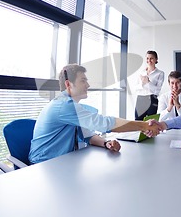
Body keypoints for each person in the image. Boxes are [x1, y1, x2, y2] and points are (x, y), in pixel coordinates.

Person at [29, 64, 161, 164]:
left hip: (61, 162)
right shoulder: (64, 106)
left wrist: (106, 143)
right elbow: (104, 123)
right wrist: (143, 126)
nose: (88, 85)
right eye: (83, 81)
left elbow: (88, 135)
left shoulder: (73, 108)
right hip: (44, 164)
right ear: (69, 84)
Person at [134, 50, 165, 121]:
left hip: (152, 99)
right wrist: (142, 83)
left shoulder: (160, 73)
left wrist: (148, 82)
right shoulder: (141, 72)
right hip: (140, 99)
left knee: (151, 123)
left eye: (151, 58)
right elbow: (136, 88)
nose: (149, 60)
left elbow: (157, 91)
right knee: (138, 122)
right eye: (147, 58)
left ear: (156, 59)